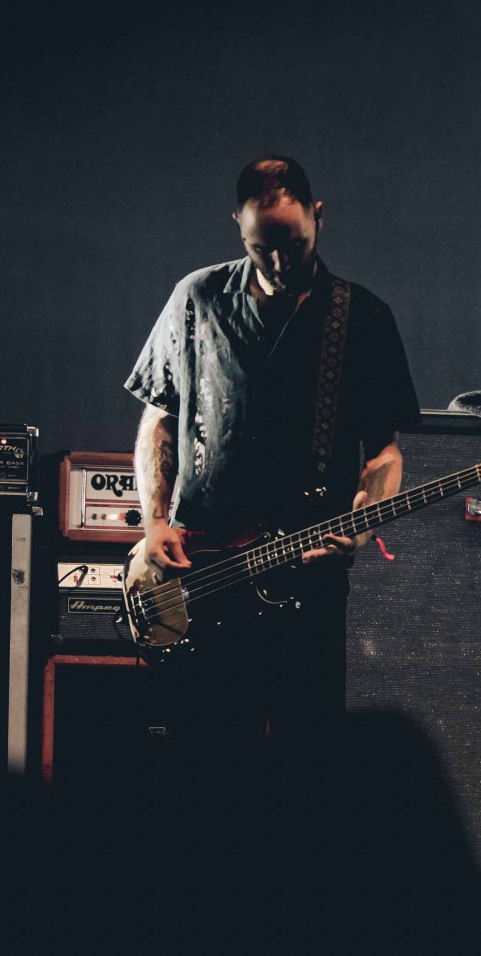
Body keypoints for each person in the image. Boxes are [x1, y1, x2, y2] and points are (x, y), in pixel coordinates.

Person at [124, 157, 420, 758]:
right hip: (200, 569)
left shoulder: (362, 317)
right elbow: (159, 418)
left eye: (295, 244)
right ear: (237, 224)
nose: (281, 263)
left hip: (306, 577)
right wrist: (154, 521)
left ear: (318, 216)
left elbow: (383, 452)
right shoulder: (196, 297)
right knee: (202, 758)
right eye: (263, 248)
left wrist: (363, 525)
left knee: (306, 760)